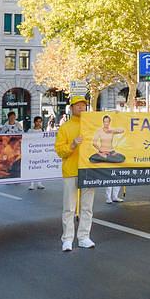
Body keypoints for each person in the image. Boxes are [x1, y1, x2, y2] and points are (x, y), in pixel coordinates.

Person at [55, 95, 96, 251]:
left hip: (89, 170)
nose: (81, 107)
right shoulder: (65, 127)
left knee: (87, 207)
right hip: (71, 170)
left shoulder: (91, 125)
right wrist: (72, 145)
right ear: (71, 108)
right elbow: (60, 151)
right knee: (69, 208)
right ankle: (67, 239)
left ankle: (84, 237)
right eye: (77, 105)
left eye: (83, 105)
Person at [27, 116, 47, 191]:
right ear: (34, 122)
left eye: (40, 121)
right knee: (32, 167)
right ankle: (31, 183)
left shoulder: (43, 130)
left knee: (40, 167)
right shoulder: (30, 130)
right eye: (37, 121)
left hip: (40, 151)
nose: (38, 123)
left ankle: (39, 183)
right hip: (32, 151)